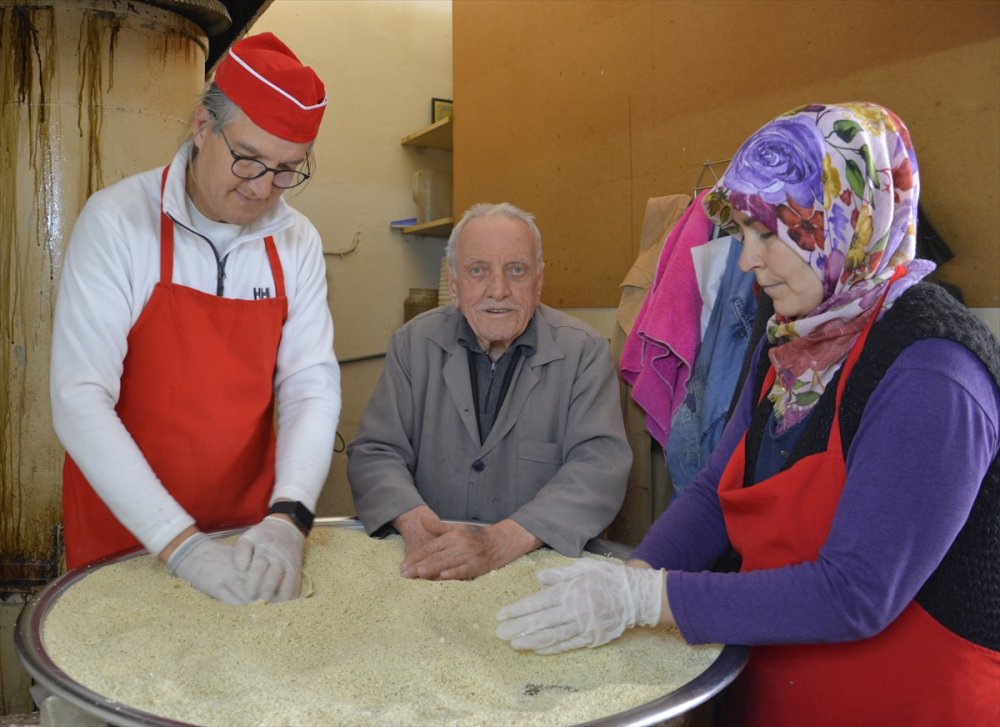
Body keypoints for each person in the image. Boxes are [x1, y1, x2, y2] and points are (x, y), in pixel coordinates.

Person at [495, 103, 1000, 726]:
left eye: (770, 234)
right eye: (743, 234)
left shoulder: (933, 373)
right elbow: (715, 490)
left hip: (910, 703)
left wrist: (649, 600)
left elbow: (858, 593)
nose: (746, 263)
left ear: (844, 221)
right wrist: (633, 576)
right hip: (781, 691)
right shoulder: (791, 341)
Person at [50, 33, 341, 605]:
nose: (262, 188)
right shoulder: (118, 222)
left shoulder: (296, 240)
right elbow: (79, 397)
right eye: (248, 158)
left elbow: (310, 384)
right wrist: (180, 545)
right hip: (127, 533)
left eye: (287, 170)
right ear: (203, 125)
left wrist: (290, 516)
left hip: (246, 531)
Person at [347, 202, 630, 580]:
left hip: (533, 566)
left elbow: (599, 468)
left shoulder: (585, 352)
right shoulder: (413, 344)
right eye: (478, 271)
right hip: (429, 561)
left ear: (539, 280)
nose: (498, 290)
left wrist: (503, 541)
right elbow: (376, 452)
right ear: (454, 283)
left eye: (516, 270)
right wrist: (412, 521)